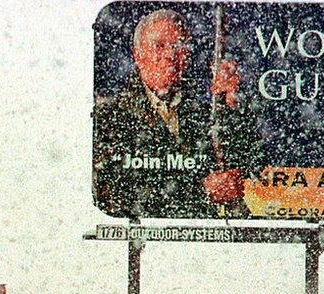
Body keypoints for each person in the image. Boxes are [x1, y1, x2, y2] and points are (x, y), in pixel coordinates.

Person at [93, 9, 265, 219]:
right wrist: (200, 193)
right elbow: (114, 197)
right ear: (138, 54)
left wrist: (232, 104)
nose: (170, 55)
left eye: (179, 46)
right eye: (159, 46)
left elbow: (253, 163)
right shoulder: (110, 116)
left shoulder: (201, 113)